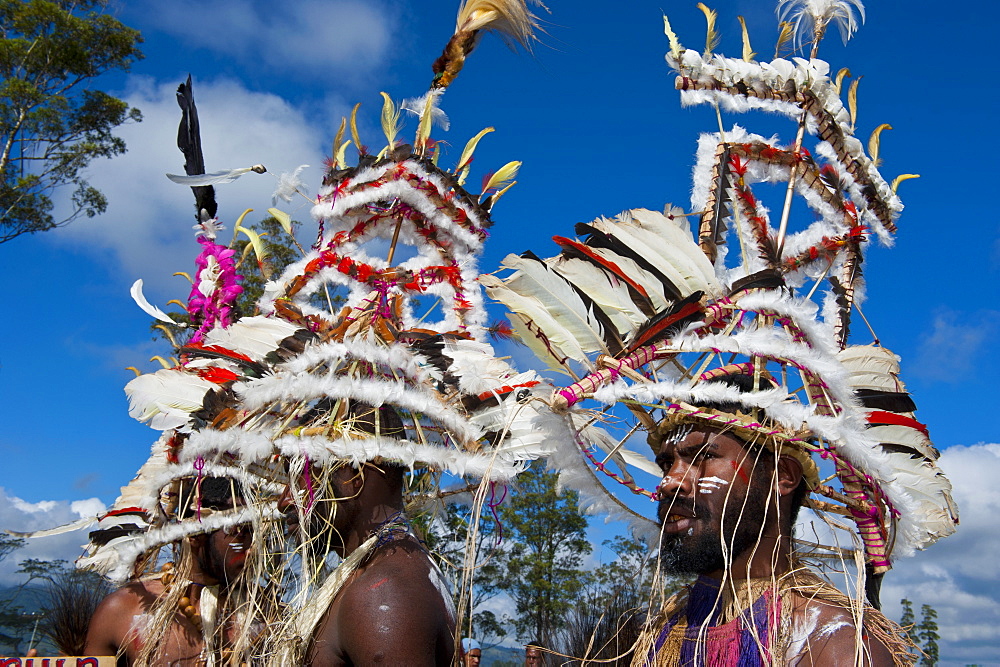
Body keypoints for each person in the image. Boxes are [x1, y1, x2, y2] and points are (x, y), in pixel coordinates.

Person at [634, 414, 914, 666]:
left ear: (782, 476)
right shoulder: (662, 630)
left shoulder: (832, 646)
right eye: (667, 464)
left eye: (703, 457)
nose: (670, 482)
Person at [273, 402, 456, 666]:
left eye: (298, 478)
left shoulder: (383, 593)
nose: (284, 501)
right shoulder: (380, 577)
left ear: (354, 475)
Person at [84, 477, 253, 666]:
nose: (251, 549)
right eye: (240, 532)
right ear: (195, 535)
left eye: (255, 533)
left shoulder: (265, 615)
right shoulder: (123, 610)